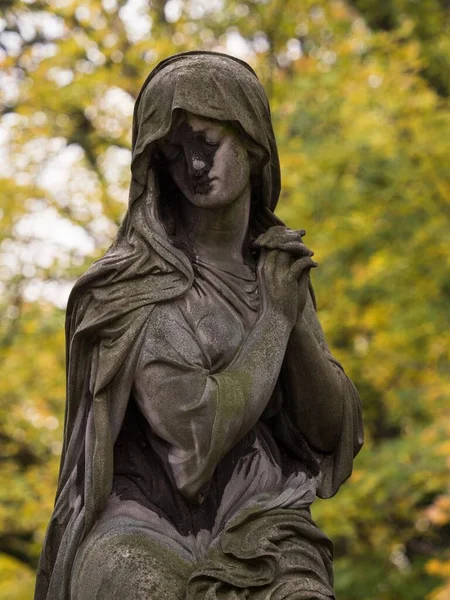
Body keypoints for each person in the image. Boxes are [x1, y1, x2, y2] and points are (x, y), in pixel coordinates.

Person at [35, 51, 363, 600]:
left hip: (264, 527)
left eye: (206, 144)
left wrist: (294, 320)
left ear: (253, 142)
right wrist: (276, 322)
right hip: (141, 530)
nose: (192, 165)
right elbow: (194, 450)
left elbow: (330, 434)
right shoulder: (132, 290)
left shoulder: (278, 271)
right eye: (173, 152)